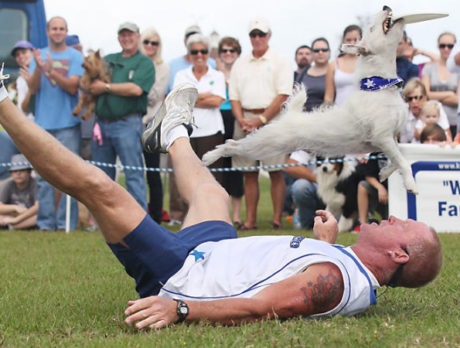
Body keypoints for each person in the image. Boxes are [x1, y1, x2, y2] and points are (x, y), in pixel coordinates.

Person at [0, 77, 443, 328]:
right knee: (212, 193)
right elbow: (323, 275)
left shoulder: (334, 278)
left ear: (398, 253)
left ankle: (4, 105)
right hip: (213, 254)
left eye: (402, 225)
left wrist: (180, 308)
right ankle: (171, 131)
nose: (395, 217)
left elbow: (268, 306)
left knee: (101, 188)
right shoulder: (344, 265)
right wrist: (324, 242)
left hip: (184, 275)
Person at [228, 17, 293, 229]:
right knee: (249, 172)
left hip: (272, 120)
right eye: (253, 35)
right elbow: (234, 95)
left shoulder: (280, 60)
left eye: (261, 34)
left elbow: (283, 94)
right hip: (245, 118)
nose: (257, 39)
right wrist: (242, 120)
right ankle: (250, 220)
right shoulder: (240, 62)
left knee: (275, 170)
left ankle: (276, 219)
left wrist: (261, 119)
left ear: (269, 36)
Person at [88, 22, 155, 211]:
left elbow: (136, 89)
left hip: (128, 123)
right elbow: (91, 82)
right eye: (123, 35)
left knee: (133, 173)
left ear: (138, 37)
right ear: (118, 38)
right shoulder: (108, 59)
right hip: (101, 124)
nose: (127, 38)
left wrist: (106, 88)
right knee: (101, 175)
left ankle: (139, 219)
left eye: (130, 35)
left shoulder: (144, 63)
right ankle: (106, 217)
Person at [27, 16, 83, 230]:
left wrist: (50, 70)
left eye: (61, 29)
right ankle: (45, 223)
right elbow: (32, 88)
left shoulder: (75, 56)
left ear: (66, 32)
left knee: (70, 174)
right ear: (48, 32)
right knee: (43, 176)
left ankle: (66, 222)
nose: (58, 32)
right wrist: (40, 69)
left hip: (68, 123)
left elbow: (72, 86)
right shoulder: (38, 55)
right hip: (43, 123)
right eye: (54, 29)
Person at [173, 34, 226, 184]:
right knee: (187, 180)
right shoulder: (181, 75)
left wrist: (192, 97)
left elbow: (217, 101)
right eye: (195, 52)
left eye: (203, 51)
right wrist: (205, 95)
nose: (199, 55)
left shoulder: (217, 76)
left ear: (208, 53)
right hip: (186, 133)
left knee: (212, 180)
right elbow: (179, 101)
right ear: (189, 55)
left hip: (211, 132)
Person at [139, 27, 170, 224]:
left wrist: (135, 88)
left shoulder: (163, 67)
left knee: (153, 172)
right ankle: (137, 215)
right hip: (133, 122)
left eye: (154, 43)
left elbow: (153, 95)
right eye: (147, 42)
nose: (150, 46)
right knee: (134, 172)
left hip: (152, 124)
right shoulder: (136, 64)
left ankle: (156, 217)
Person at [216, 36, 244, 227]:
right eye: (224, 51)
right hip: (217, 118)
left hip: (236, 117)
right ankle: (220, 212)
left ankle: (237, 214)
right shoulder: (214, 73)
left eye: (232, 51)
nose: (228, 54)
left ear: (237, 53)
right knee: (220, 166)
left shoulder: (242, 72)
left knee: (236, 167)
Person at [422, 32, 459, 136]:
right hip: (432, 123)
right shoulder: (428, 68)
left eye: (450, 46)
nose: (446, 49)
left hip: (454, 123)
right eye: (442, 46)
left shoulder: (458, 70)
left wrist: (433, 96)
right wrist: (449, 94)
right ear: (438, 46)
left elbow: (457, 100)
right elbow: (425, 95)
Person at [399, 78, 451, 144]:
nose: (414, 101)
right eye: (410, 98)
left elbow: (448, 137)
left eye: (418, 97)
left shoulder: (435, 107)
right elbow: (404, 142)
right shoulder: (405, 115)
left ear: (425, 97)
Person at [284, 150, 323, 229]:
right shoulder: (311, 144)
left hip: (339, 189)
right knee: (300, 186)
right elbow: (292, 166)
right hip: (317, 186)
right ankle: (307, 224)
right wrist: (319, 180)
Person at [324, 25, 362, 105]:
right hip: (340, 113)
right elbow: (328, 96)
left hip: (362, 113)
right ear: (343, 41)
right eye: (348, 40)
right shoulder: (333, 64)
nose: (352, 43)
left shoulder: (367, 63)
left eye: (356, 40)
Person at [0, 154, 37, 230]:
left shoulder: (35, 184)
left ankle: (11, 227)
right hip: (14, 214)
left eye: (22, 170)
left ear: (29, 172)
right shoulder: (9, 185)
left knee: (39, 217)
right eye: (15, 171)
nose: (18, 174)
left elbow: (37, 207)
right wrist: (15, 208)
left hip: (29, 216)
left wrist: (16, 220)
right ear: (11, 173)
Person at [297, 37, 331, 111]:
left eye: (324, 50)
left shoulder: (335, 72)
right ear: (312, 53)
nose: (320, 52)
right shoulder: (303, 72)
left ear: (329, 52)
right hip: (303, 117)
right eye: (316, 50)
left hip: (326, 116)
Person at [11, 40, 34, 119]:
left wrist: (31, 85)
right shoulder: (20, 79)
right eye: (17, 55)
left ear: (33, 52)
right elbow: (23, 109)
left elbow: (26, 108)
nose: (20, 56)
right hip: (26, 125)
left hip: (40, 127)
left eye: (24, 52)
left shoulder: (42, 73)